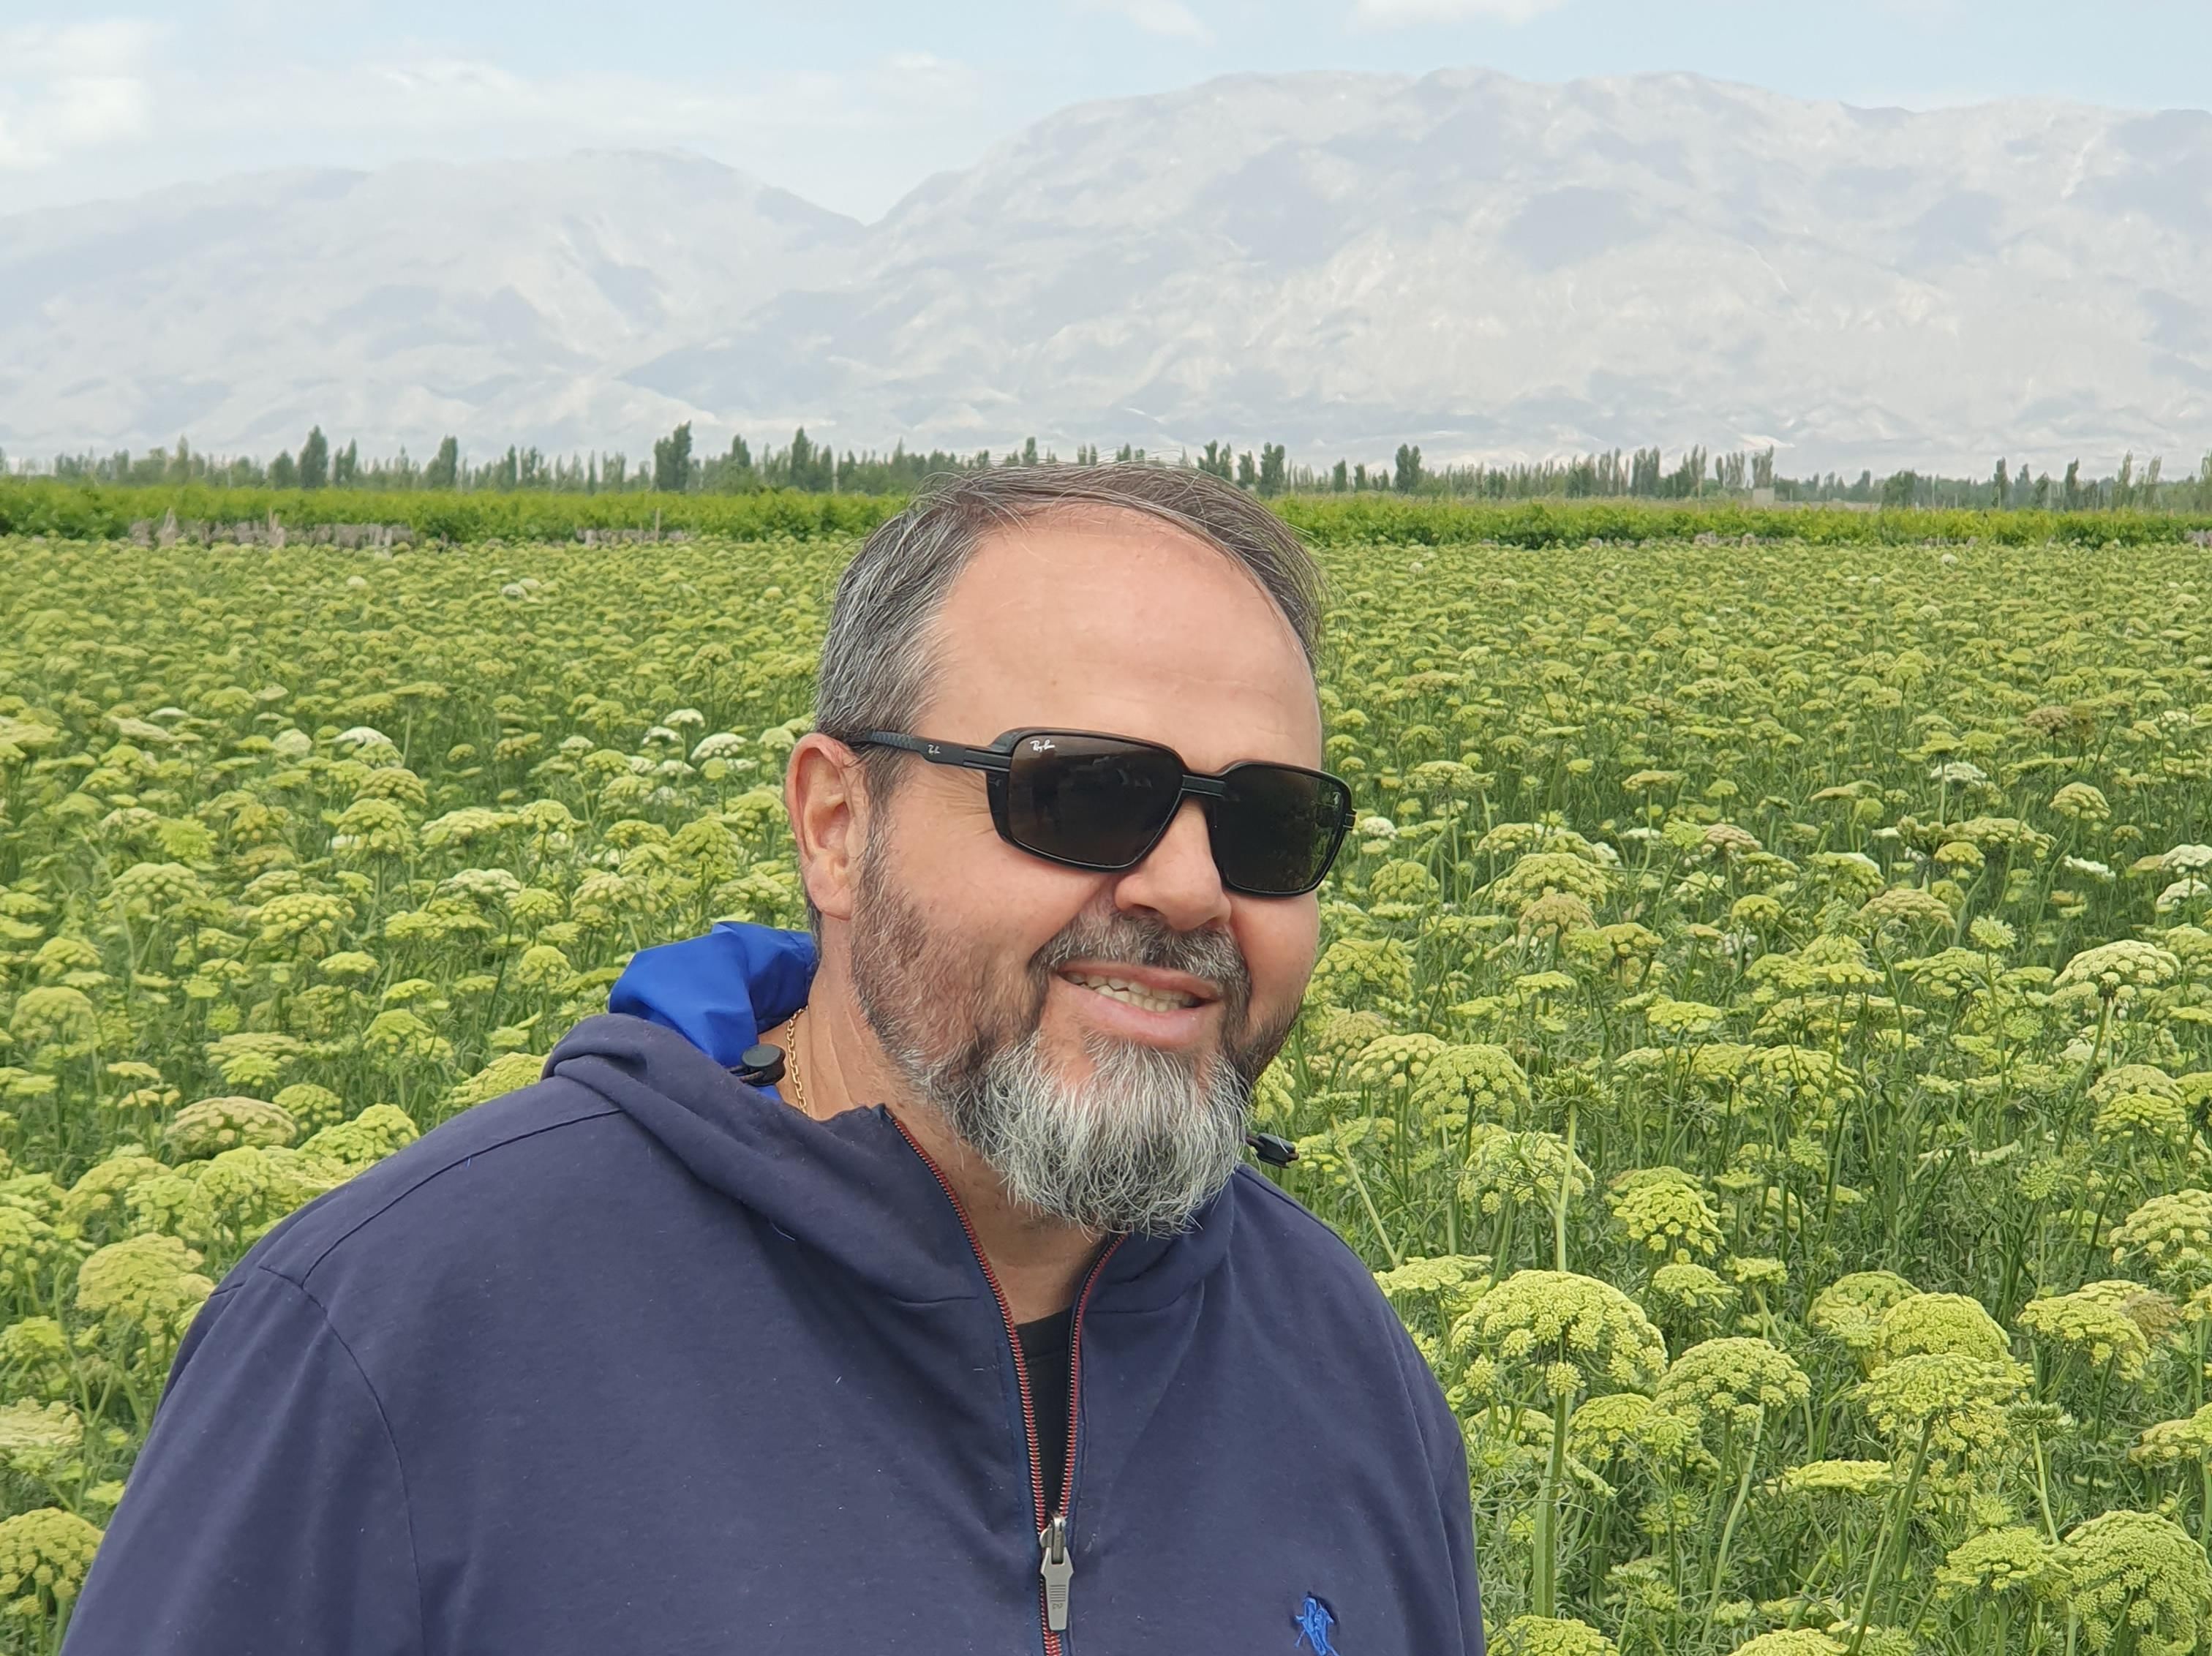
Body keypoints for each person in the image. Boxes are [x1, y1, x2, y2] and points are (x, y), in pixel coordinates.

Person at [65, 465, 1485, 1655]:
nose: (1187, 888)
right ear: (836, 828)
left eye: (1268, 825)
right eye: (1086, 793)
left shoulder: (1345, 1361)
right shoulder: (392, 1336)